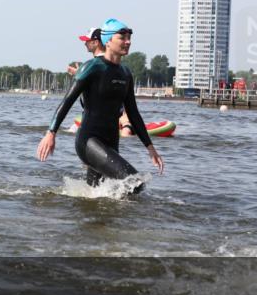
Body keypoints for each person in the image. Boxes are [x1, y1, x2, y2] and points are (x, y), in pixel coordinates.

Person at [37, 18, 164, 193]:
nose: (128, 42)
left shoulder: (126, 73)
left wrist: (150, 148)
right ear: (108, 40)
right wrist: (51, 133)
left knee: (95, 195)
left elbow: (133, 113)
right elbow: (67, 101)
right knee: (134, 184)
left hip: (111, 142)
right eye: (122, 37)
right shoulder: (91, 67)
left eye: (129, 38)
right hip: (89, 142)